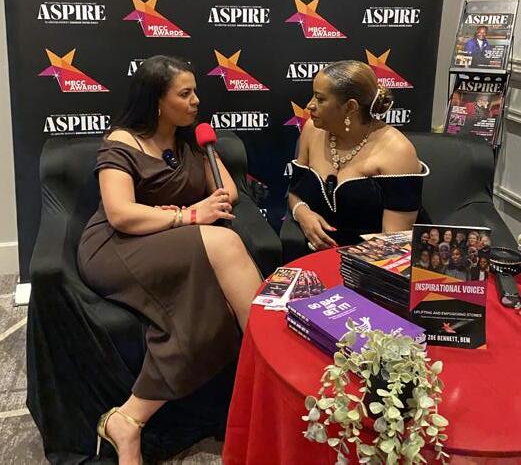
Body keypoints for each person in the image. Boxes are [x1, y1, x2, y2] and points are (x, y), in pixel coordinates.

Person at [77, 55, 262, 465]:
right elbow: (121, 214)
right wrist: (189, 215)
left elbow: (228, 193)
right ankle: (267, 378)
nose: (196, 100)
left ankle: (127, 420)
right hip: (118, 246)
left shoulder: (193, 138)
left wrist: (202, 199)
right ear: (157, 101)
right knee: (226, 245)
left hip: (175, 242)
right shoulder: (122, 141)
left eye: (196, 91)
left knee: (213, 304)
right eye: (185, 93)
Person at [287, 60, 429, 255]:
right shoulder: (312, 130)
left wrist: (344, 265)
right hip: (320, 253)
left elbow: (394, 244)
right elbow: (295, 192)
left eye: (320, 99)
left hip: (376, 260)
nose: (310, 105)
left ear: (350, 107)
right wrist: (302, 214)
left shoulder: (398, 151)